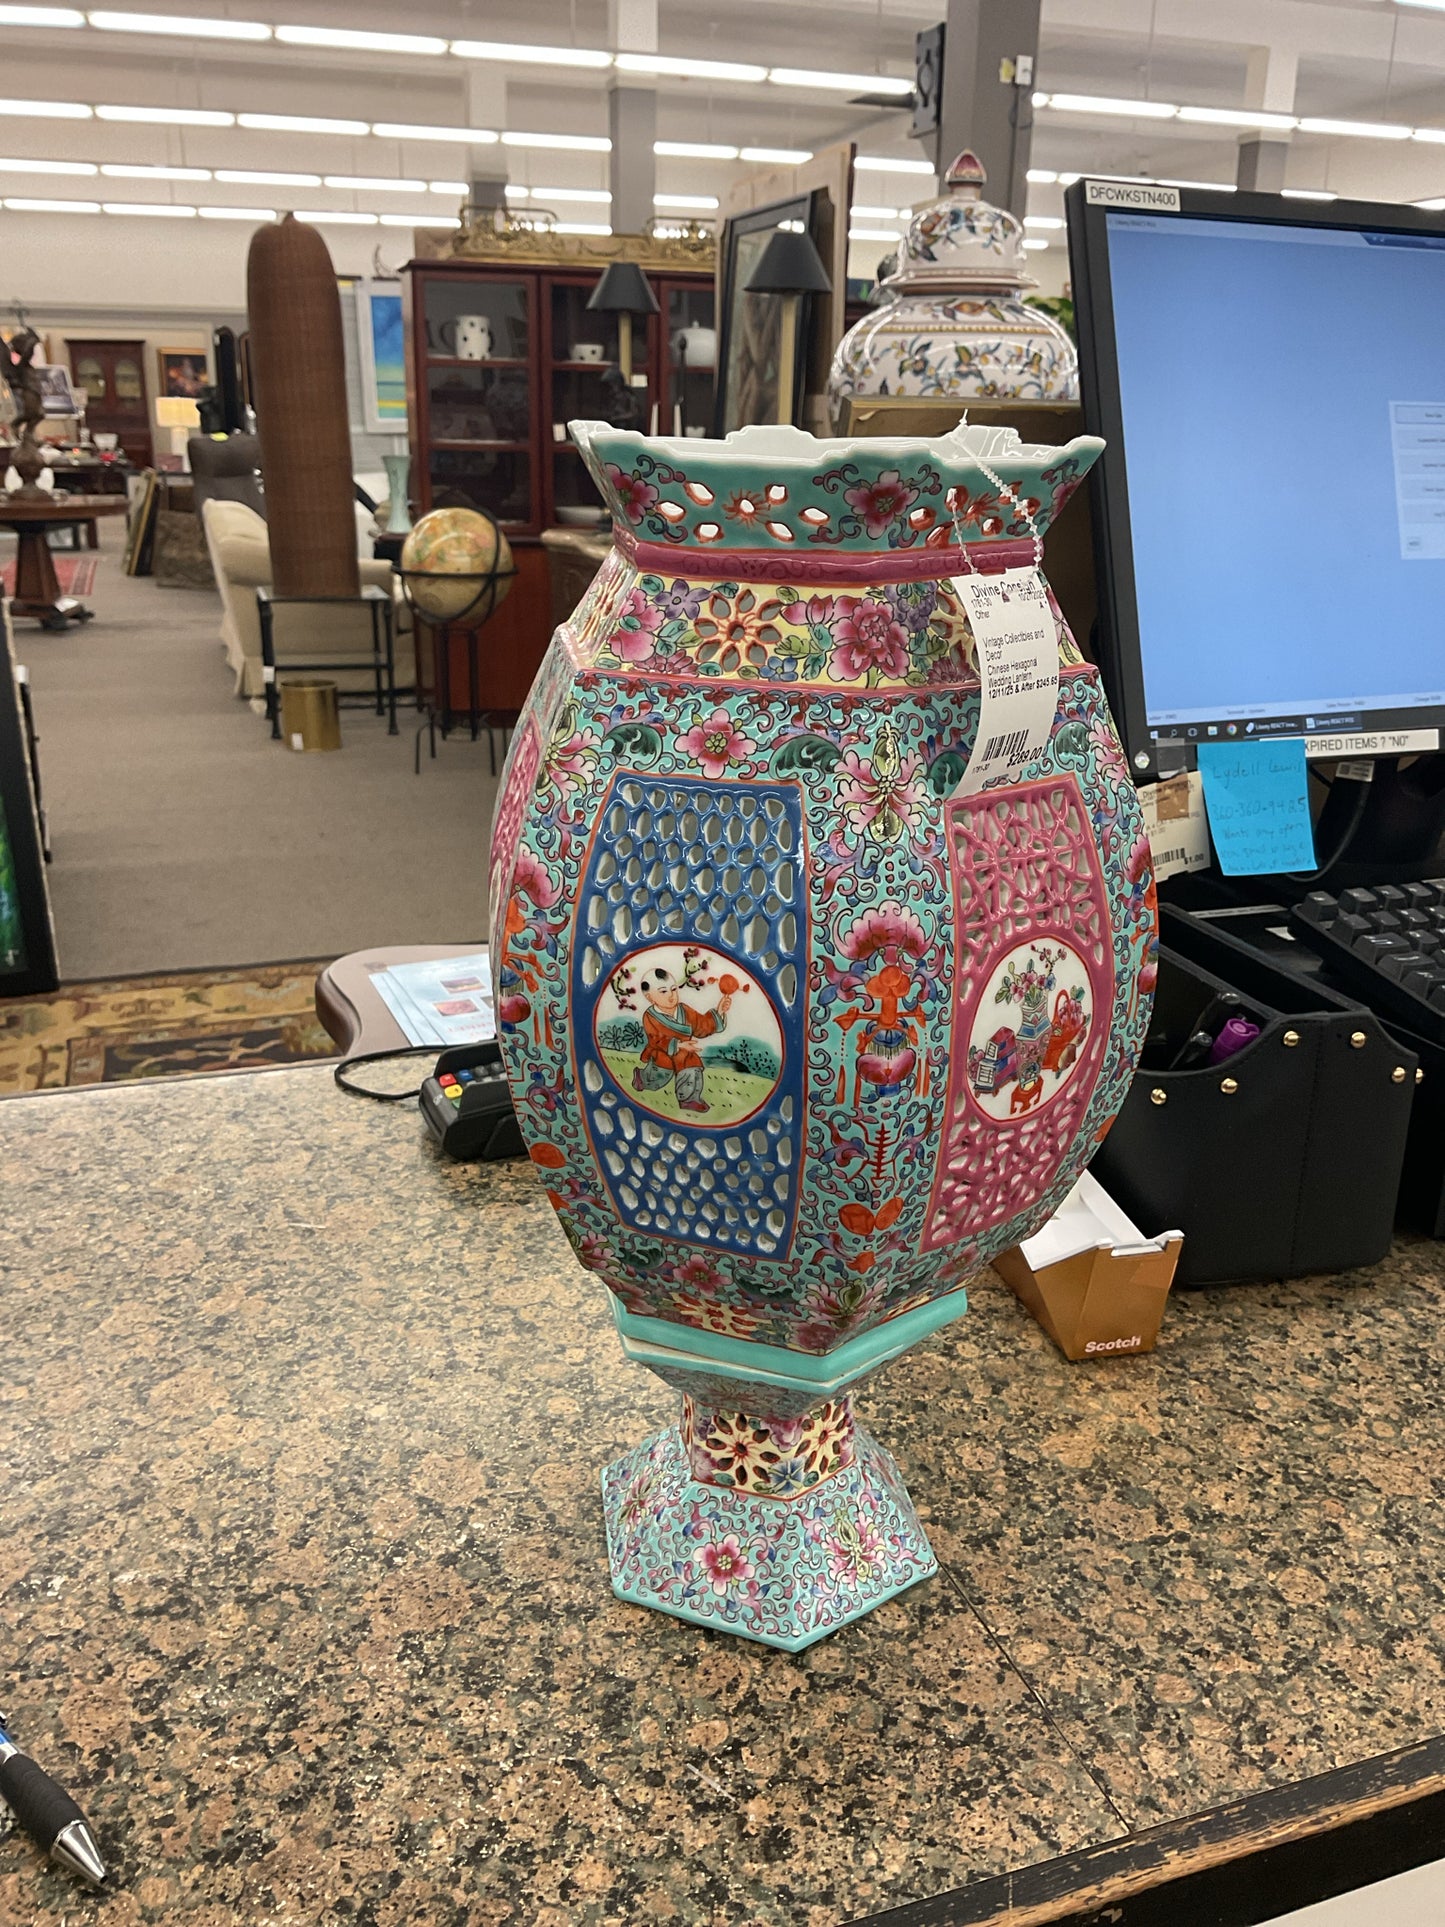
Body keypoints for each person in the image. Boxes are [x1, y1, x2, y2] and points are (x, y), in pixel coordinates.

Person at [634, 968, 732, 1114]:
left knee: (692, 1066)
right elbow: (656, 1040)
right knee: (657, 1078)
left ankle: (689, 1099)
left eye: (674, 989)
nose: (671, 995)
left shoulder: (684, 1010)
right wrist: (678, 1045)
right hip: (663, 1053)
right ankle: (641, 1079)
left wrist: (719, 1012)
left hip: (685, 1053)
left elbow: (701, 1025)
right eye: (663, 991)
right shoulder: (650, 1016)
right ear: (649, 997)